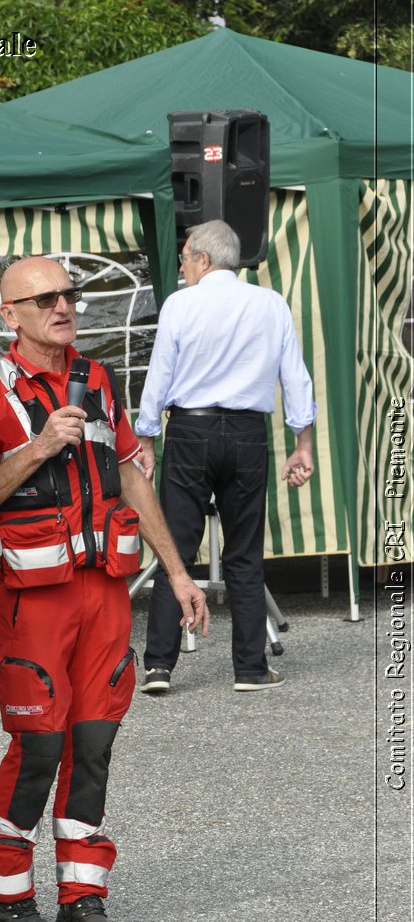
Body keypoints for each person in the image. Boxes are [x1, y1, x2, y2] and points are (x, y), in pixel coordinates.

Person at [0, 255, 208, 922]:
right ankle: (4, 899)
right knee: (38, 745)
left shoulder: (98, 379)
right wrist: (37, 448)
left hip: (102, 596)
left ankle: (81, 897)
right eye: (43, 300)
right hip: (30, 601)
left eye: (68, 295)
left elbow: (130, 476)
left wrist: (178, 573)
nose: (63, 308)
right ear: (10, 315)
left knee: (92, 744)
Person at [134, 220, 316, 696]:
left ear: (204, 259)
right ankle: (250, 668)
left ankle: (158, 666)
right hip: (246, 433)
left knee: (174, 546)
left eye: (186, 258)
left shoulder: (180, 304)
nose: (183, 266)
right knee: (244, 553)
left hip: (190, 431)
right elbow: (295, 377)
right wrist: (304, 443)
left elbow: (160, 375)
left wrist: (147, 438)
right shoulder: (271, 303)